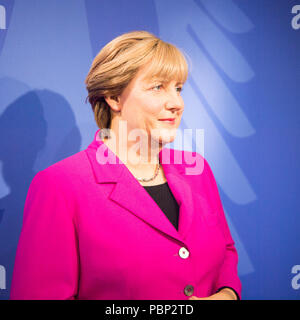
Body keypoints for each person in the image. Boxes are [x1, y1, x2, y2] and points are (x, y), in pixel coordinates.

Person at [10, 30, 241, 300]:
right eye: (158, 87)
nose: (177, 103)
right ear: (114, 97)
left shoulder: (195, 169)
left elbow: (225, 251)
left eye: (178, 89)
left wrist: (227, 295)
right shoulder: (60, 185)